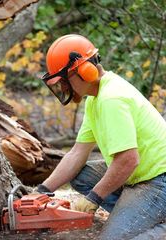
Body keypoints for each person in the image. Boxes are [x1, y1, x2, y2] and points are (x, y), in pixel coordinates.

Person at [37, 34, 166, 240]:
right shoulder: (95, 97)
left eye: (64, 81)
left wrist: (94, 198)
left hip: (158, 180)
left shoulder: (111, 98)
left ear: (84, 71)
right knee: (80, 176)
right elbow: (77, 153)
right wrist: (42, 191)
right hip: (139, 174)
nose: (63, 88)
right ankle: (135, 215)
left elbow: (128, 160)